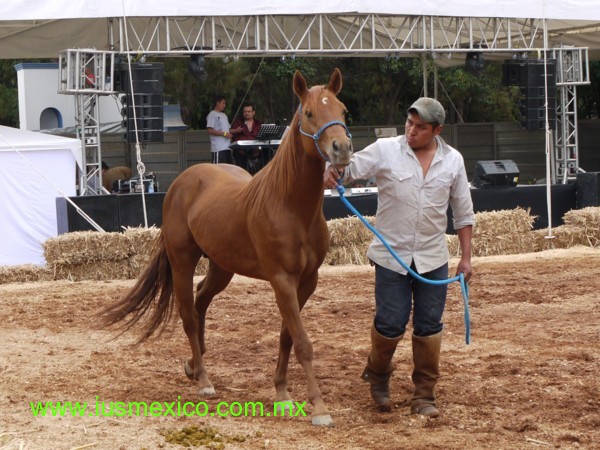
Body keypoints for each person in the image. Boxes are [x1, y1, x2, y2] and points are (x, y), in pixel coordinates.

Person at [323, 97, 474, 418]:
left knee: (429, 326)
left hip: (433, 258)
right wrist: (332, 171)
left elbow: (463, 213)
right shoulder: (386, 149)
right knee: (391, 323)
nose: (412, 131)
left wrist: (466, 258)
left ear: (437, 130)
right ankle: (378, 376)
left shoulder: (454, 161)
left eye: (420, 127)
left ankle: (424, 395)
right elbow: (348, 169)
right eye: (410, 123)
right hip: (391, 257)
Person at [230, 102, 262, 170]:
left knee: (268, 152)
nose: (246, 113)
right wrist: (236, 130)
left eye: (249, 111)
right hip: (241, 150)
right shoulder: (238, 122)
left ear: (253, 113)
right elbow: (229, 131)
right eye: (245, 112)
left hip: (255, 150)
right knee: (237, 153)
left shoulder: (258, 124)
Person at [206, 95, 233, 164]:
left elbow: (228, 130)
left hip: (227, 148)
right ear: (217, 103)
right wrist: (224, 134)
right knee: (218, 170)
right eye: (223, 103)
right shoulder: (212, 114)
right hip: (218, 149)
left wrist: (237, 130)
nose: (224, 105)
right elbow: (210, 130)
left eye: (225, 103)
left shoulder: (224, 115)